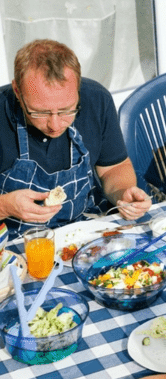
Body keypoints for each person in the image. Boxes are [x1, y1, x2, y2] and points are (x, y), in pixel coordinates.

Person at [0, 39, 151, 237]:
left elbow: (113, 168)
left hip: (84, 230)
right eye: (39, 113)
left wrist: (123, 194)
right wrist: (5, 206)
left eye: (66, 111)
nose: (54, 125)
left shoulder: (97, 100)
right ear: (18, 91)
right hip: (11, 243)